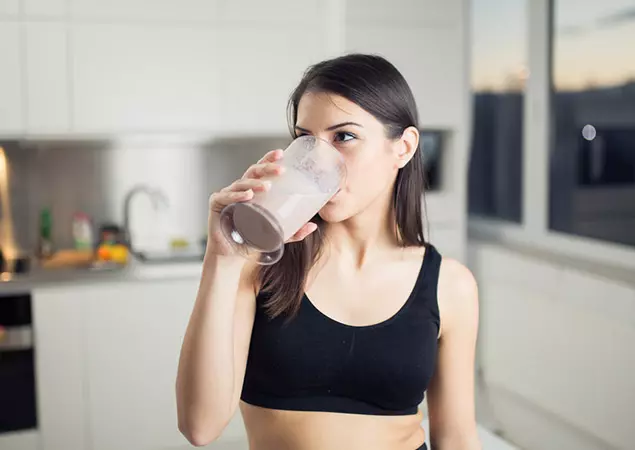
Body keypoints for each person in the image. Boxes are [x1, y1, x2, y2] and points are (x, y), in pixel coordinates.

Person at [176, 53, 481, 450]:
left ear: (403, 148)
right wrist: (221, 259)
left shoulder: (449, 285)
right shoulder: (261, 265)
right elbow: (199, 426)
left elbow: (456, 439)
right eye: (307, 140)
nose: (321, 162)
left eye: (344, 137)